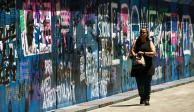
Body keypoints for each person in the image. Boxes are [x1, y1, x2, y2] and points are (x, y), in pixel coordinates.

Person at [130, 27, 156, 106]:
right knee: (140, 84)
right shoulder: (136, 41)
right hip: (138, 66)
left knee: (147, 83)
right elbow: (132, 50)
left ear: (147, 34)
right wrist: (135, 55)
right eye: (141, 32)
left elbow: (153, 53)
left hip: (148, 66)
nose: (142, 34)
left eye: (144, 32)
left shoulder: (149, 42)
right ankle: (142, 97)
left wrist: (144, 53)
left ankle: (147, 99)